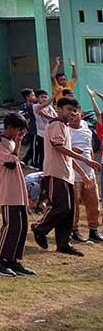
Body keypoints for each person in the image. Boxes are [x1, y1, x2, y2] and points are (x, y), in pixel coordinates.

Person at [32, 98, 101, 256]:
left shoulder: (64, 127)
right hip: (56, 173)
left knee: (69, 210)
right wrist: (85, 159)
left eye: (75, 110)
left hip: (66, 174)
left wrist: (79, 159)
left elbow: (64, 151)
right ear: (58, 109)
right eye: (68, 109)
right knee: (62, 207)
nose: (72, 113)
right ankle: (39, 228)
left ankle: (64, 243)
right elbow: (59, 147)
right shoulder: (56, 124)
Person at [0, 113, 36, 277]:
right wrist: (17, 143)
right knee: (11, 225)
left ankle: (13, 259)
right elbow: (10, 161)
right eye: (19, 130)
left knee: (22, 225)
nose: (20, 133)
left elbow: (14, 157)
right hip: (8, 190)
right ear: (9, 128)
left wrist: (18, 141)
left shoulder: (11, 141)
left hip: (18, 190)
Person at [67, 102, 102, 244]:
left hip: (90, 174)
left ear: (81, 114)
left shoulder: (87, 128)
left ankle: (93, 230)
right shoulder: (66, 130)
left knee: (94, 203)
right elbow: (68, 156)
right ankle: (74, 231)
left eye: (76, 112)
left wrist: (92, 167)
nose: (73, 116)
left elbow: (89, 149)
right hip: (75, 176)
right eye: (70, 113)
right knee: (74, 205)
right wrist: (82, 174)